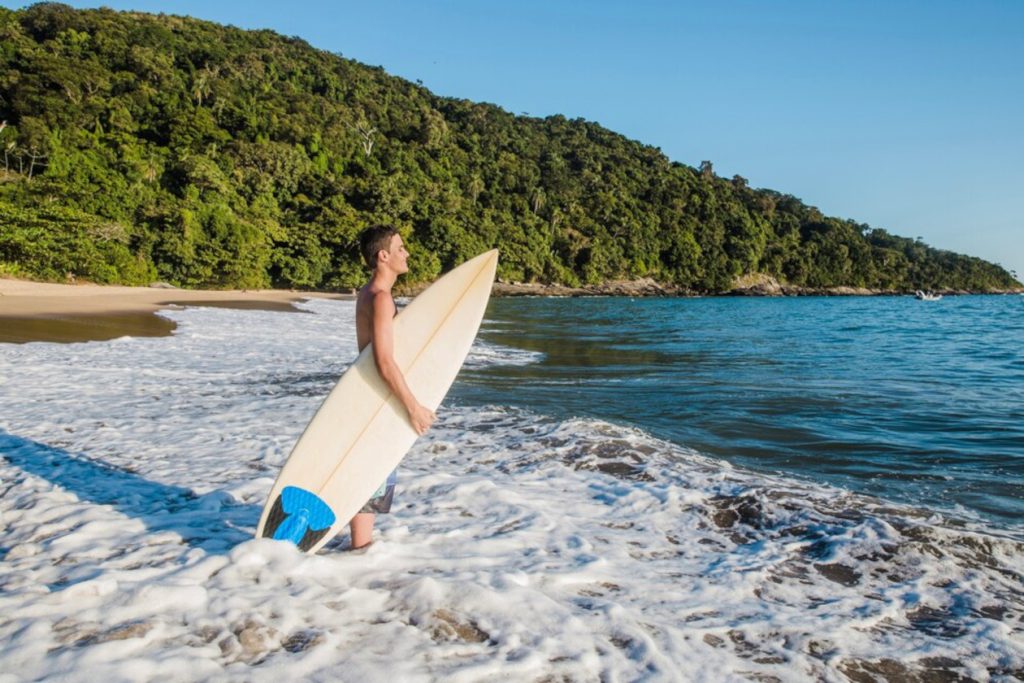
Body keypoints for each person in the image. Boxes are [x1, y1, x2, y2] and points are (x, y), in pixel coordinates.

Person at [350, 225, 436, 549]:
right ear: (383, 255)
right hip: (375, 400)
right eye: (400, 248)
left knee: (369, 480)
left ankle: (359, 551)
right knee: (369, 483)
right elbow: (384, 361)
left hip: (367, 397)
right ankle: (358, 552)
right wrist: (413, 407)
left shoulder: (369, 292)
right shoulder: (381, 298)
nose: (407, 253)